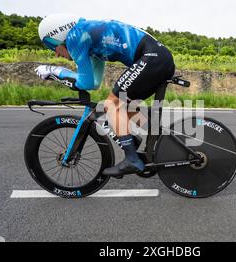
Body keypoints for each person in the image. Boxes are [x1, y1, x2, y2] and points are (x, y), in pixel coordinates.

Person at [35, 14, 175, 176]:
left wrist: (54, 71)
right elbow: (93, 82)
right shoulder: (89, 36)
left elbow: (85, 83)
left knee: (111, 105)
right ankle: (141, 136)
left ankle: (132, 159)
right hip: (157, 58)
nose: (56, 54)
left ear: (57, 36)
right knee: (119, 104)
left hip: (151, 58)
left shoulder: (75, 36)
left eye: (51, 46)